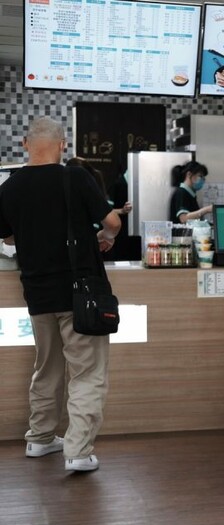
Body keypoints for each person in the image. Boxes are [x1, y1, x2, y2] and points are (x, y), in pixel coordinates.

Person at [0, 117, 121, 473]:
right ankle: (78, 451)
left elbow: (8, 237)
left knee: (46, 368)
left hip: (37, 294)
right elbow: (112, 222)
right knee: (87, 372)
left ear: (25, 144)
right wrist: (105, 237)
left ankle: (40, 438)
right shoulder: (75, 177)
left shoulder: (10, 186)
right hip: (79, 293)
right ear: (63, 145)